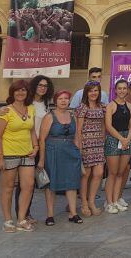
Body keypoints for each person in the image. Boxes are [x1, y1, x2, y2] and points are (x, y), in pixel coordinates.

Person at [0, 80, 37, 233]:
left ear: (27, 92)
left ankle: (21, 219)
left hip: (27, 153)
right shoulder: (6, 111)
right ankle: (7, 220)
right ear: (12, 92)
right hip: (9, 154)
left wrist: (36, 146)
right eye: (17, 90)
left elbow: (31, 130)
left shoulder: (31, 108)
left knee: (28, 185)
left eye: (24, 90)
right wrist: (0, 156)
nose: (20, 93)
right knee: (8, 187)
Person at [37, 90, 83, 225]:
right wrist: (41, 159)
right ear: (55, 101)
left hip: (70, 151)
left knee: (72, 182)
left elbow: (76, 137)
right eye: (60, 98)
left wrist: (79, 154)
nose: (63, 101)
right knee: (51, 184)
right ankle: (50, 214)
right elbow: (42, 139)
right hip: (53, 152)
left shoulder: (72, 116)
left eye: (66, 98)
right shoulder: (49, 117)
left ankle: (73, 213)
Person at [104, 79, 131, 214]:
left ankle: (116, 200)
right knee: (112, 173)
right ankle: (109, 202)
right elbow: (108, 126)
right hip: (113, 140)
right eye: (119, 88)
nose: (122, 91)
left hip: (127, 140)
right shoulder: (110, 106)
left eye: (124, 88)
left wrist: (128, 138)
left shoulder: (130, 105)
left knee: (121, 173)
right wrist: (121, 138)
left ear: (127, 90)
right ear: (115, 90)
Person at [75, 80, 106, 217]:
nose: (93, 93)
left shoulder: (102, 107)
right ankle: (84, 204)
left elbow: (104, 125)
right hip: (86, 144)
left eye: (96, 90)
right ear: (86, 92)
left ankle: (92, 201)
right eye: (91, 90)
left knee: (98, 173)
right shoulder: (82, 107)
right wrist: (79, 147)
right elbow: (78, 129)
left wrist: (103, 140)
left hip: (99, 144)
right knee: (85, 175)